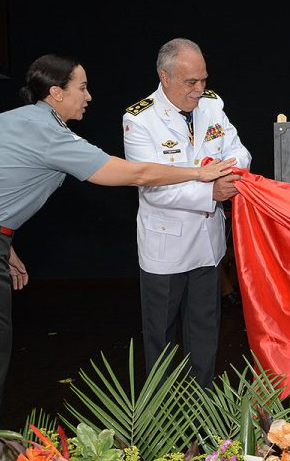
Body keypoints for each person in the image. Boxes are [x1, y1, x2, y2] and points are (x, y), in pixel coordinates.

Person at [0, 53, 236, 446]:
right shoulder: (52, 136)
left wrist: (1, 239)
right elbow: (133, 173)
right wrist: (198, 172)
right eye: (82, 87)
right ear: (56, 93)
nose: (89, 96)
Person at [123, 38, 251, 388]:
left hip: (207, 247)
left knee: (205, 335)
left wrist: (227, 170)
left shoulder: (211, 105)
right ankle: (160, 419)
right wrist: (210, 190)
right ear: (165, 77)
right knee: (160, 342)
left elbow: (240, 152)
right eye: (190, 82)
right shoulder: (141, 120)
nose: (200, 89)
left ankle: (203, 411)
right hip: (166, 249)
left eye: (203, 80)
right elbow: (153, 187)